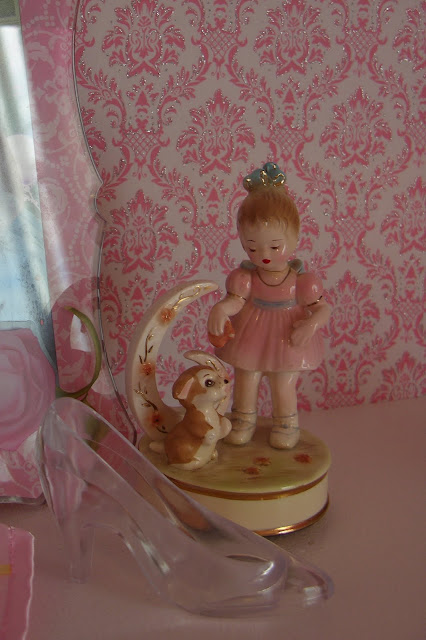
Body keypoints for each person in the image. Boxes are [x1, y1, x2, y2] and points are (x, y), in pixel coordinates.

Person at [207, 163, 330, 449]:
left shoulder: (303, 282)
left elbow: (322, 309)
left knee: (283, 382)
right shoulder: (246, 278)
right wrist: (221, 309)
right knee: (246, 377)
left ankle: (286, 424)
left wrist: (311, 324)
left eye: (274, 247)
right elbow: (235, 301)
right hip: (252, 333)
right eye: (252, 247)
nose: (263, 255)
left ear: (295, 238)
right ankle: (242, 420)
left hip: (287, 334)